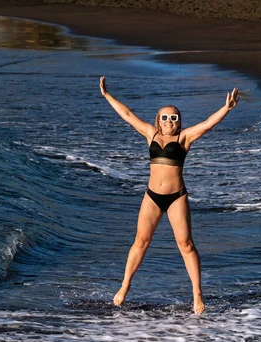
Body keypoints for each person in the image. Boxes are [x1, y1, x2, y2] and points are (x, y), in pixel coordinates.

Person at [100, 76, 239, 314]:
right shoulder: (151, 134)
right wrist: (107, 95)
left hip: (177, 197)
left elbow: (207, 124)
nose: (168, 121)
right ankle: (124, 286)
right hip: (152, 196)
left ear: (179, 122)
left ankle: (197, 294)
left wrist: (225, 108)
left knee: (186, 244)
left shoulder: (184, 138)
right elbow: (128, 115)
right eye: (164, 117)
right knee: (141, 242)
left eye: (173, 118)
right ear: (158, 120)